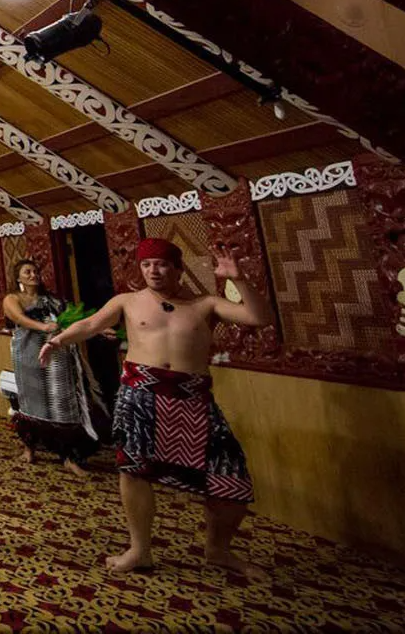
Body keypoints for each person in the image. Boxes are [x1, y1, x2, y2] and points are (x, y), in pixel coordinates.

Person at [42, 238, 273, 576]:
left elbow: (258, 317)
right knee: (134, 472)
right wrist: (58, 340)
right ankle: (140, 550)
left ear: (178, 269)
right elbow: (91, 325)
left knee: (231, 479)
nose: (153, 270)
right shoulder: (128, 301)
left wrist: (238, 278)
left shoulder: (204, 305)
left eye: (162, 264)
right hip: (140, 396)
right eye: (147, 264)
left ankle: (218, 550)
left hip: (193, 399)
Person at [3, 258, 104, 475]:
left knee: (64, 405)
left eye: (35, 271)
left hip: (58, 358)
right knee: (30, 403)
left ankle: (68, 456)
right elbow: (19, 319)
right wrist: (43, 326)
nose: (33, 275)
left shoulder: (54, 300)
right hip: (28, 357)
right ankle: (29, 448)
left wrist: (100, 329)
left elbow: (74, 321)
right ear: (18, 277)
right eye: (27, 272)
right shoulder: (12, 298)